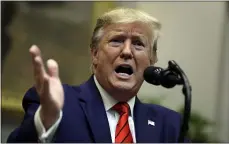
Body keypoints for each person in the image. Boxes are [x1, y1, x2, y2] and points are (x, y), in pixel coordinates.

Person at [7, 8, 188, 143]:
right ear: (95, 54)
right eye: (116, 41)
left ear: (152, 59)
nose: (127, 51)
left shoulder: (169, 125)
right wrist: (46, 121)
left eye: (138, 44)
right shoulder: (58, 105)